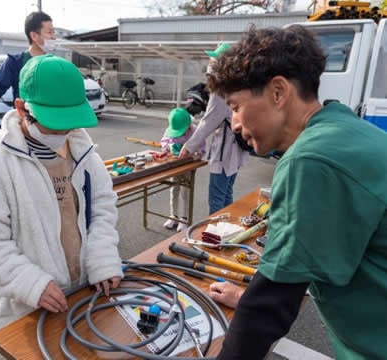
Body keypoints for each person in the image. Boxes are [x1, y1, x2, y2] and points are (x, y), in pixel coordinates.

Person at [207, 25, 387, 359]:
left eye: (235, 106)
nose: (233, 123)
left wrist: (254, 302)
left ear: (278, 92)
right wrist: (249, 296)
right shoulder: (344, 130)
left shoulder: (310, 159)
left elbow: (272, 302)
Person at [0, 54, 123, 331]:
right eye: (54, 121)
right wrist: (31, 283)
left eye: (69, 120)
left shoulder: (83, 151)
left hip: (84, 290)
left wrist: (103, 258)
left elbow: (102, 209)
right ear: (22, 108)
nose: (64, 130)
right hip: (25, 308)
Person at [179, 43, 249, 215]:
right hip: (237, 149)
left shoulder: (221, 92)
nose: (209, 64)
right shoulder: (239, 85)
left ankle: (216, 236)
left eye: (213, 60)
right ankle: (226, 231)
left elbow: (207, 123)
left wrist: (188, 147)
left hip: (226, 152)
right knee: (226, 194)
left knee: (217, 198)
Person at [0, 11, 56, 102]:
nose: (54, 37)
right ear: (34, 36)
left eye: (54, 32)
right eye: (49, 32)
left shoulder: (55, 63)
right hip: (25, 115)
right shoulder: (15, 62)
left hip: (53, 115)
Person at [160, 107, 205, 232]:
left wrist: (193, 155)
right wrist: (168, 148)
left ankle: (184, 219)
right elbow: (164, 142)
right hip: (175, 166)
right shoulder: (170, 129)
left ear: (188, 126)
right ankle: (173, 216)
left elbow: (202, 150)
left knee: (185, 191)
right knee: (173, 189)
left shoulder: (195, 131)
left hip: (187, 167)